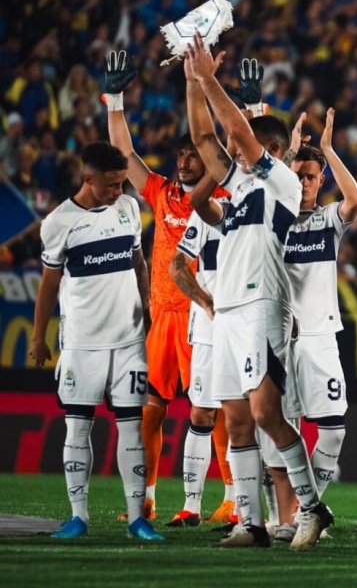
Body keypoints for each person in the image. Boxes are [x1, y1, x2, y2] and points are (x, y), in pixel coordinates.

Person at [183, 33, 330, 550]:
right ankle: (251, 522)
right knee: (238, 421)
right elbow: (205, 138)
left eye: (248, 149)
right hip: (227, 310)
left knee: (267, 413)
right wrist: (191, 79)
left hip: (263, 303)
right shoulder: (240, 188)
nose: (236, 155)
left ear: (272, 151)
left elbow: (236, 135)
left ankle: (312, 508)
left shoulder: (282, 182)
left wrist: (210, 79)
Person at [102, 50, 233, 523]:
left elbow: (241, 153)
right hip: (162, 318)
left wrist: (249, 108)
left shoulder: (221, 194)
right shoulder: (161, 193)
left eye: (192, 154)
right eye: (180, 154)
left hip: (202, 315)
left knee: (213, 410)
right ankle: (148, 496)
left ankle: (232, 498)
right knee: (151, 410)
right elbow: (124, 156)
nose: (184, 160)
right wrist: (115, 102)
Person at [29, 141, 163, 541]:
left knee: (132, 428)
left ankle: (138, 518)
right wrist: (38, 336)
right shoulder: (58, 222)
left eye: (123, 184)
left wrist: (147, 305)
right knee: (77, 428)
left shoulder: (128, 209)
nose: (119, 192)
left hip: (128, 341)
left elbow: (139, 263)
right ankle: (78, 517)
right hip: (82, 343)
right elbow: (48, 285)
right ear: (88, 178)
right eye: (111, 185)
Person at [282, 106, 357, 504]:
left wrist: (328, 150)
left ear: (320, 180)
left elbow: (356, 201)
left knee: (333, 431)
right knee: (281, 435)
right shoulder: (270, 220)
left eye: (310, 177)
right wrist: (286, 155)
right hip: (278, 340)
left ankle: (308, 508)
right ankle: (287, 515)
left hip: (320, 337)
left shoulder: (328, 220)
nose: (303, 183)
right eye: (297, 175)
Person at [166, 175, 228, 527]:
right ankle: (191, 506)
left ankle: (241, 505)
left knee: (247, 417)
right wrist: (205, 302)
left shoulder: (269, 210)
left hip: (250, 328)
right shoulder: (208, 211)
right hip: (209, 330)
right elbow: (177, 264)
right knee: (201, 413)